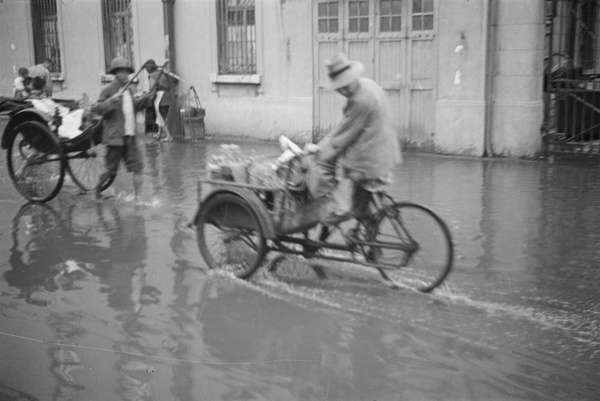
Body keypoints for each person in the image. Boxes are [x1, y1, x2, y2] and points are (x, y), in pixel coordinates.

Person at [304, 53, 402, 238]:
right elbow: (346, 128)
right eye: (339, 88)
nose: (343, 91)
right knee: (362, 204)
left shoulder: (360, 101)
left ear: (352, 77)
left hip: (369, 162)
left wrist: (317, 152)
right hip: (384, 153)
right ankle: (369, 242)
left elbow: (341, 138)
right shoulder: (367, 84)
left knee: (341, 204)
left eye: (345, 84)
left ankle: (347, 232)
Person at [92, 57, 155, 200]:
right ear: (116, 73)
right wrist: (110, 100)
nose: (126, 75)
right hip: (115, 136)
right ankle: (97, 190)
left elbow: (135, 107)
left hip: (130, 136)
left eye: (127, 72)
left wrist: (146, 99)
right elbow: (98, 109)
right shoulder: (108, 90)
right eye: (122, 72)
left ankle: (138, 198)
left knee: (138, 167)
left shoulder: (130, 90)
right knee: (110, 170)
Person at [144, 59, 175, 142]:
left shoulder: (152, 76)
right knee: (162, 115)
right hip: (168, 95)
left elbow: (152, 89)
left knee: (161, 116)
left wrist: (148, 98)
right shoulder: (162, 73)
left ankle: (169, 136)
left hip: (160, 97)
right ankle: (159, 133)